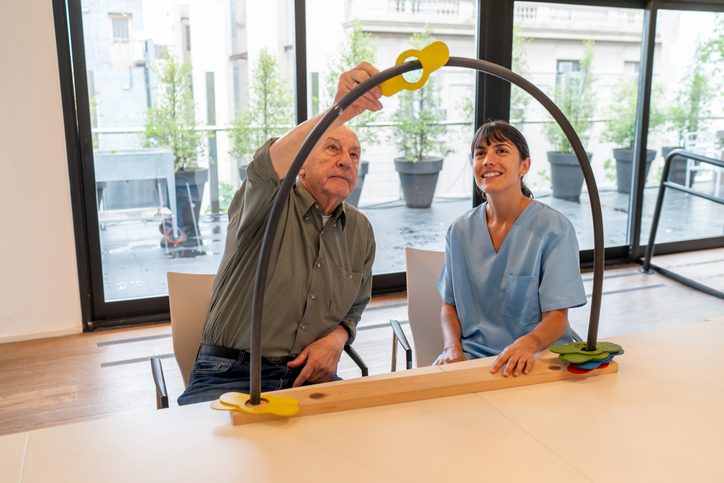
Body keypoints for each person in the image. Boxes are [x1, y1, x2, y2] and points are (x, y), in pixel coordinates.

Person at [178, 63, 383, 405]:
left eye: (354, 154)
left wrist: (337, 338)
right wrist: (339, 113)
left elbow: (356, 304)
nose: (346, 161)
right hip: (230, 373)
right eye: (332, 149)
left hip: (309, 376)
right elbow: (264, 167)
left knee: (357, 449)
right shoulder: (267, 203)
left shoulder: (360, 231)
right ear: (301, 165)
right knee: (206, 456)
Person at [434, 120, 587, 377]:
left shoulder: (553, 228)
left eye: (501, 151)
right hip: (472, 358)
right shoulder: (459, 231)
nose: (488, 160)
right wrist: (451, 349)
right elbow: (449, 306)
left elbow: (557, 318)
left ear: (524, 165)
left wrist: (528, 344)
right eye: (480, 153)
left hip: (538, 354)